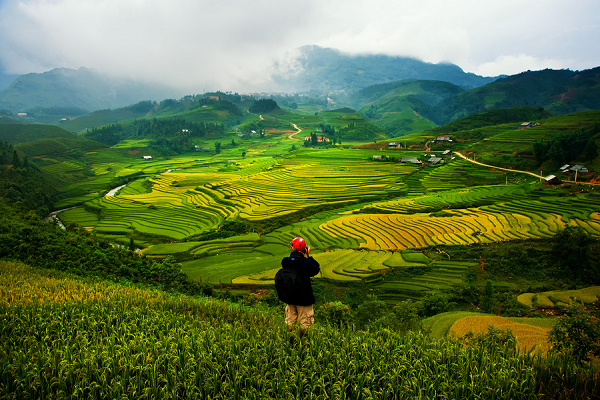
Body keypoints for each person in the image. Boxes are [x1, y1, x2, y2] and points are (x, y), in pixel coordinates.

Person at [275, 237, 320, 337]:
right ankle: (302, 344)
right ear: (304, 249)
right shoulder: (306, 263)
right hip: (304, 299)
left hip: (290, 298)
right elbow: (316, 268)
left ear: (291, 248)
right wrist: (309, 255)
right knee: (305, 324)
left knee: (290, 322)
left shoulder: (285, 261)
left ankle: (290, 342)